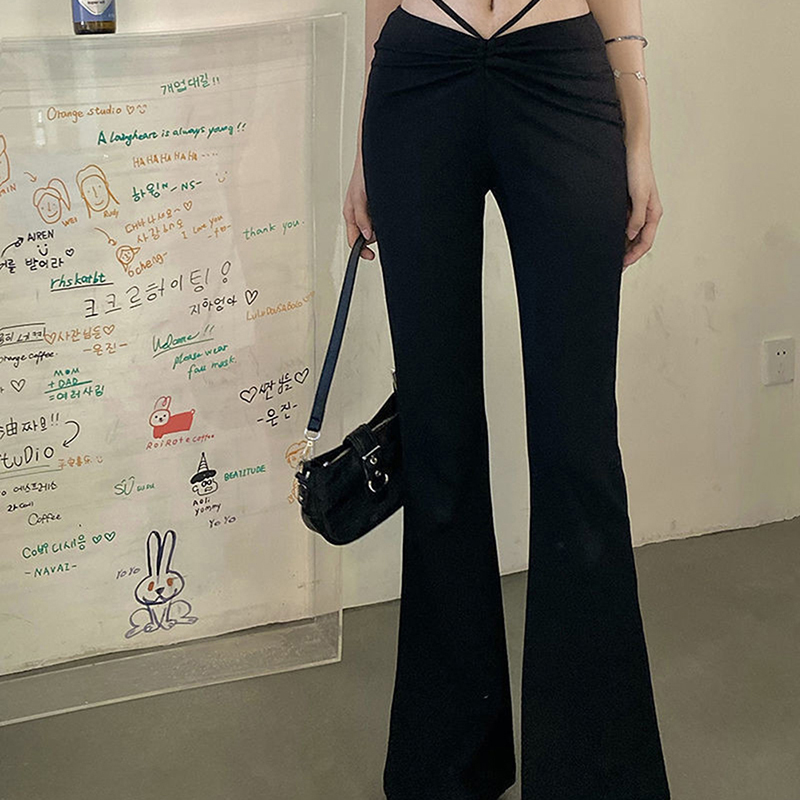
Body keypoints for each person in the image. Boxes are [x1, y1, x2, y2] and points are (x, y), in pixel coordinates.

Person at [344, 1, 669, 798]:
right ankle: (445, 770)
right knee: (438, 442)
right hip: (418, 75)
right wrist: (362, 149)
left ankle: (595, 778)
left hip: (560, 70)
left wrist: (638, 136)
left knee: (578, 446)